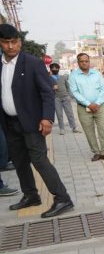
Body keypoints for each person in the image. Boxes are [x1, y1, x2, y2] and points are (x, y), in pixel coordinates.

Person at [0, 23, 73, 217]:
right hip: (9, 123)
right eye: (6, 42)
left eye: (14, 42)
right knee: (19, 161)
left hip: (32, 123)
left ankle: (63, 198)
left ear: (20, 42)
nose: (10, 46)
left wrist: (47, 118)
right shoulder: (1, 65)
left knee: (39, 160)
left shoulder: (32, 63)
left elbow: (47, 92)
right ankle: (31, 195)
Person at [68, 53, 104, 161]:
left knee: (103, 128)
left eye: (86, 61)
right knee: (89, 131)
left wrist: (97, 103)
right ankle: (96, 152)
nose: (84, 63)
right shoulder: (73, 76)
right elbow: (75, 92)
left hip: (100, 106)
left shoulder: (96, 73)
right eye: (81, 61)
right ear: (78, 63)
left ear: (89, 61)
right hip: (83, 108)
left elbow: (103, 89)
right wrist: (88, 104)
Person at [49, 63, 79, 135]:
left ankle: (74, 127)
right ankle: (61, 129)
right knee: (59, 115)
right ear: (51, 69)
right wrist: (51, 88)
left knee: (70, 113)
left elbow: (68, 87)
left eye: (56, 68)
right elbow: (46, 89)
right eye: (53, 68)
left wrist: (69, 95)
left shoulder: (63, 77)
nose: (55, 69)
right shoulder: (48, 78)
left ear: (59, 69)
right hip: (56, 98)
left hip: (65, 97)